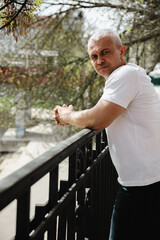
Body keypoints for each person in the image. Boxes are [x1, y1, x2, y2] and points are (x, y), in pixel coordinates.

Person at [53, 29, 160, 240]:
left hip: (144, 187)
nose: (99, 60)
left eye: (105, 52)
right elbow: (100, 113)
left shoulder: (125, 74)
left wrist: (66, 115)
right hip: (143, 183)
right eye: (94, 56)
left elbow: (97, 119)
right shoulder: (126, 76)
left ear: (122, 51)